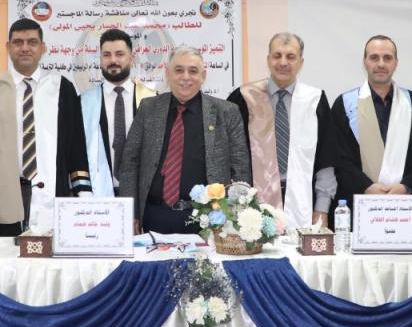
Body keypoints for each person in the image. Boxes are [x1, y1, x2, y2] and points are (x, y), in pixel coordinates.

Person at [0, 18, 92, 235]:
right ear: (8, 47)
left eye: (32, 42)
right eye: (18, 42)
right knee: (5, 253)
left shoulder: (62, 88)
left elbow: (76, 146)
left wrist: (83, 196)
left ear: (43, 48)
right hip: (1, 197)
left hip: (53, 195)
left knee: (51, 254)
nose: (25, 48)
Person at [119, 46, 251, 234]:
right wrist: (130, 212)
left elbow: (240, 168)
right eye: (179, 70)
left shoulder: (227, 112)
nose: (185, 77)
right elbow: (130, 163)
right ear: (168, 74)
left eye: (193, 71)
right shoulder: (148, 109)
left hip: (208, 219)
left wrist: (235, 216)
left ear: (203, 75)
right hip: (153, 216)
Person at [327, 35, 412, 229]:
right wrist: (366, 186)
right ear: (364, 62)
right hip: (357, 204)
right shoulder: (345, 104)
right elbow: (339, 156)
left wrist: (406, 186)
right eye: (374, 57)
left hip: (405, 206)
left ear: (396, 63)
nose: (381, 64)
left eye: (387, 58)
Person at [228, 32, 335, 230]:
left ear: (301, 62)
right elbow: (231, 157)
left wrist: (322, 208)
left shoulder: (315, 100)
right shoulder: (243, 97)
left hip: (305, 200)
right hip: (252, 203)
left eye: (291, 56)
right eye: (277, 55)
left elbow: (326, 159)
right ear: (268, 59)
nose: (283, 62)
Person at [80, 28, 156, 196]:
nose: (113, 60)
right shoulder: (83, 103)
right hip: (97, 195)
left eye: (119, 54)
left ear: (131, 58)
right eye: (106, 55)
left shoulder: (153, 100)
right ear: (100, 60)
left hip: (142, 195)